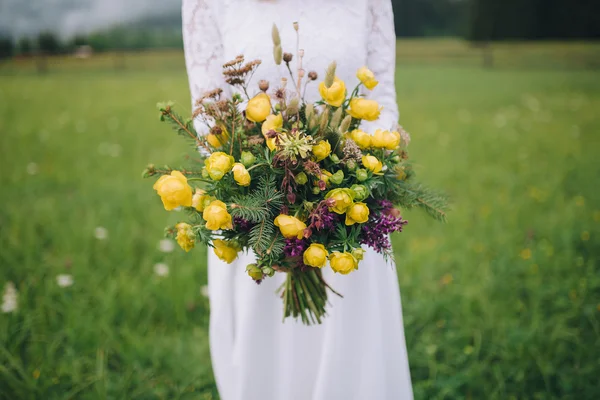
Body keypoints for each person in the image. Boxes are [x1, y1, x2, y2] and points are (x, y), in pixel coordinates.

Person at [182, 1, 413, 399]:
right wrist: (269, 204)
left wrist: (343, 184)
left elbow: (382, 104)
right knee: (265, 365)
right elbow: (208, 117)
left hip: (348, 223)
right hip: (254, 227)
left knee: (353, 363)